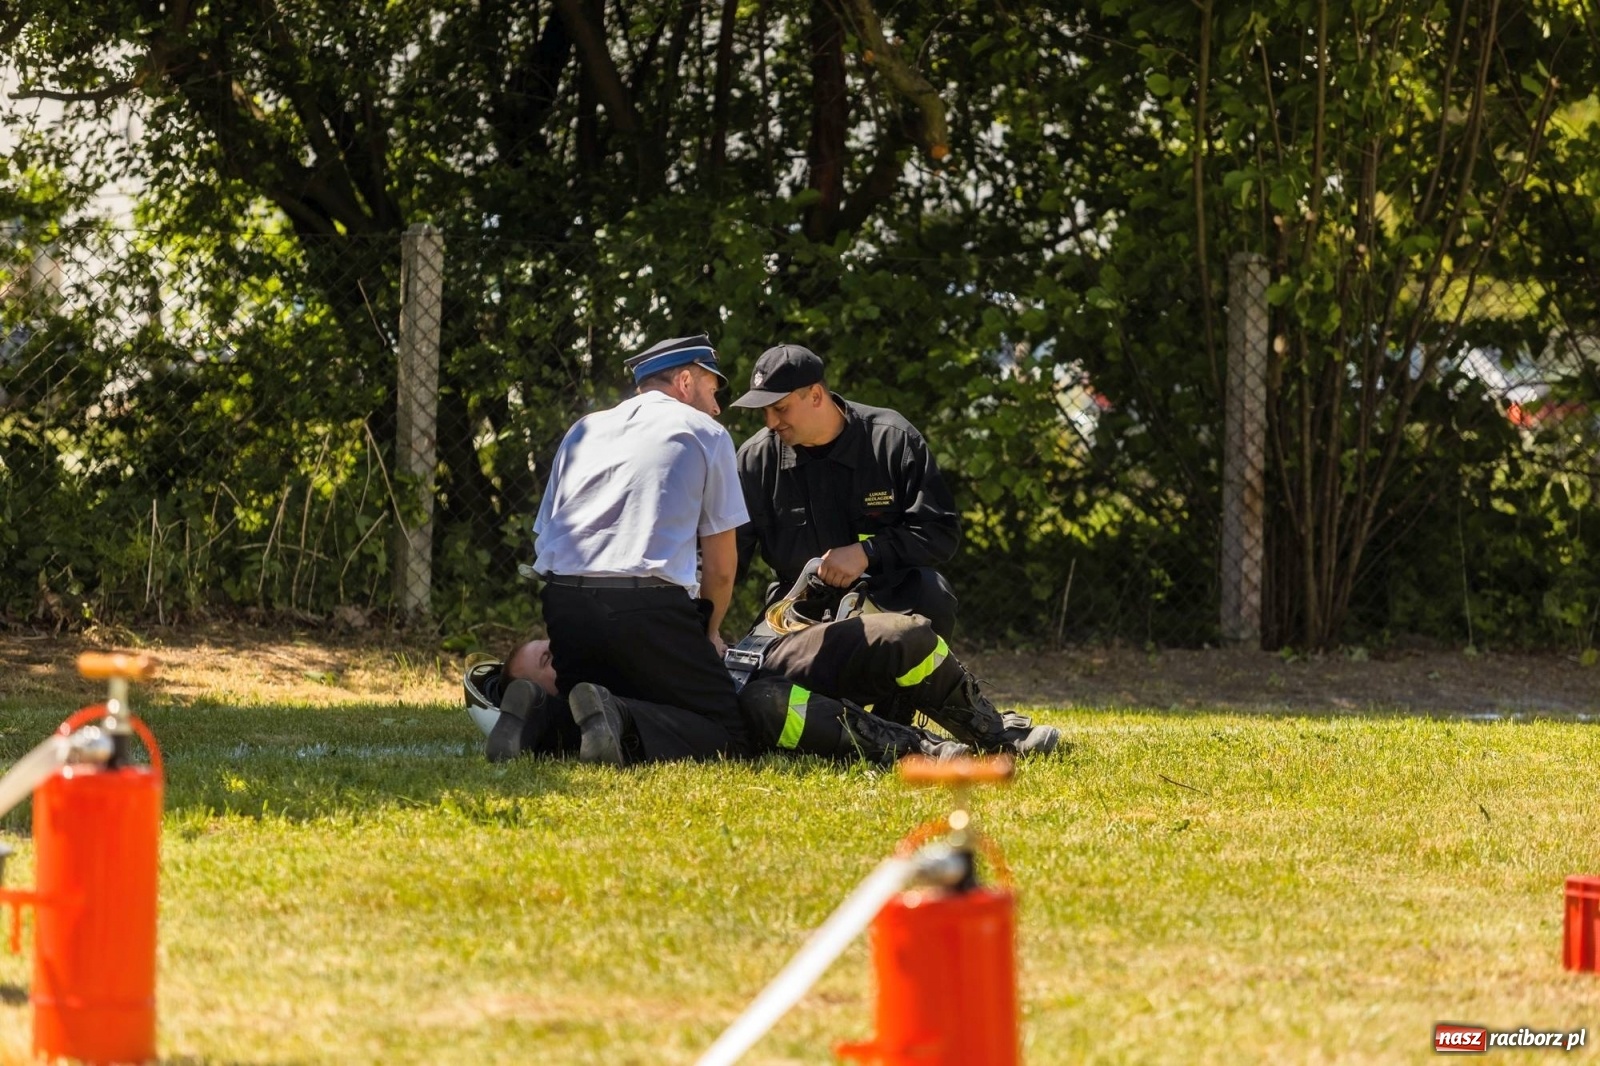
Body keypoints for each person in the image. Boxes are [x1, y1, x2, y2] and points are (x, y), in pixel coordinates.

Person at [526, 333, 752, 766]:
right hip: (647, 606)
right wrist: (709, 631)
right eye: (712, 389)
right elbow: (722, 568)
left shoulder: (583, 428)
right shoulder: (708, 433)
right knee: (728, 735)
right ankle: (622, 717)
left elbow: (545, 532)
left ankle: (541, 716)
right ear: (685, 382)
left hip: (564, 603)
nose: (717, 405)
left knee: (592, 706)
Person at [731, 343, 962, 637]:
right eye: (765, 411)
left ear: (815, 395)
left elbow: (940, 532)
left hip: (887, 595)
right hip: (799, 605)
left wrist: (868, 552)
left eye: (780, 408)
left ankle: (926, 683)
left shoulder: (890, 441)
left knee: (932, 596)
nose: (771, 422)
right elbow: (727, 556)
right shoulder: (756, 459)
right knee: (763, 677)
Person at [464, 638, 972, 766]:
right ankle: (922, 750)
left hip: (749, 664)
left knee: (765, 704)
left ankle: (540, 724)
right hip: (743, 698)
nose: (566, 653)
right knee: (768, 708)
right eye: (550, 659)